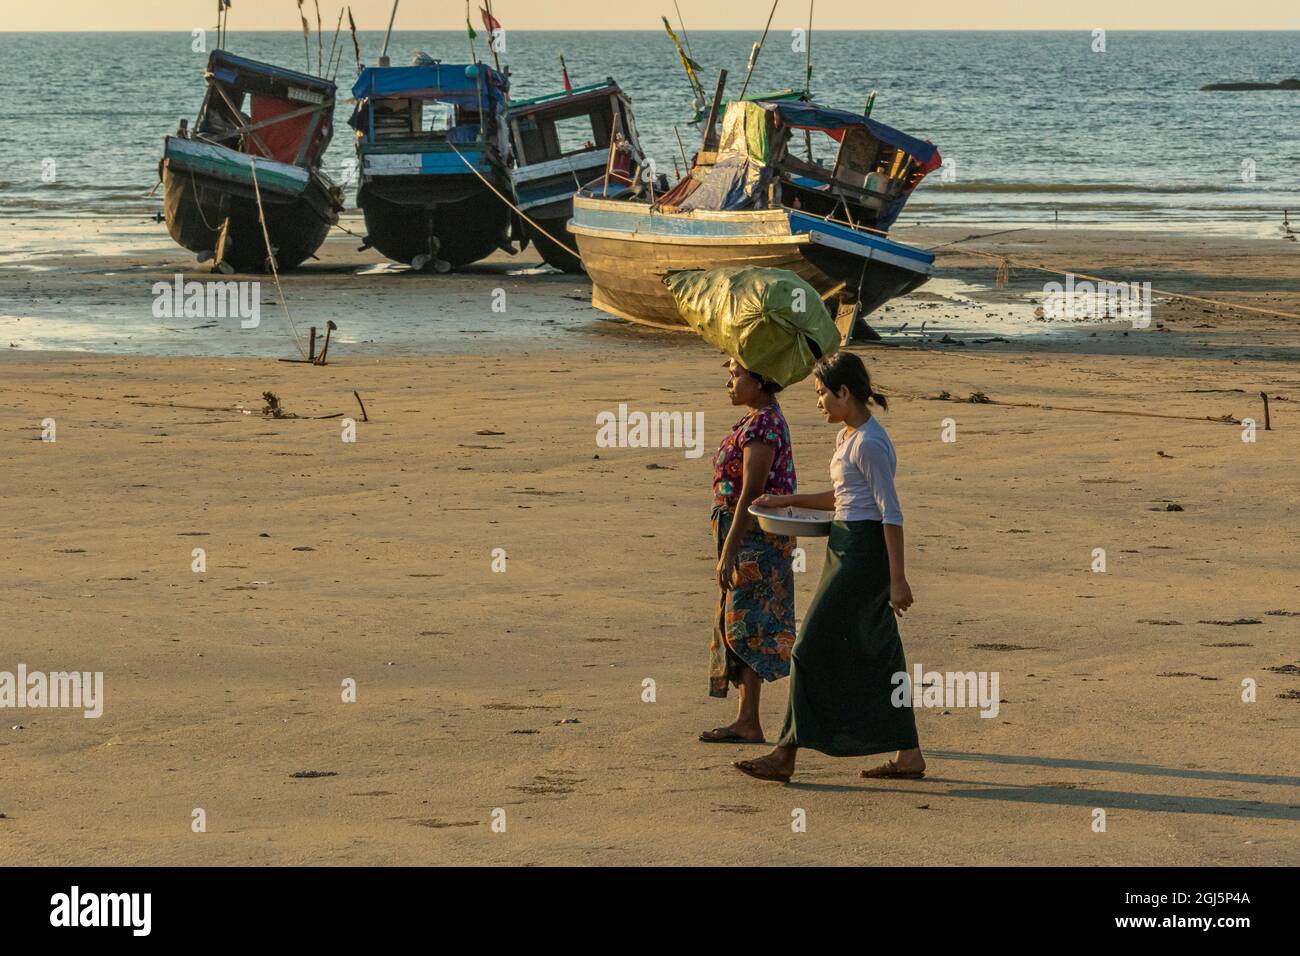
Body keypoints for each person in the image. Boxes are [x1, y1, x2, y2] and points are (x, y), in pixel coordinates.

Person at [735, 351, 926, 782]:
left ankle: (785, 754)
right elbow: (842, 499)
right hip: (843, 546)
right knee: (877, 650)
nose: (818, 401)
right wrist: (785, 500)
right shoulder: (848, 437)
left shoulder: (871, 443)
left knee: (808, 649)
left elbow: (890, 513)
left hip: (863, 555)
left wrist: (897, 579)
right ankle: (909, 753)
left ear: (845, 391)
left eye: (822, 393)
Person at [700, 359, 797, 744]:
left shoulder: (764, 425)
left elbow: (750, 494)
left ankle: (749, 720)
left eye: (737, 375)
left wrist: (730, 546)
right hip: (741, 533)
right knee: (737, 618)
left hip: (753, 538)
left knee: (749, 622)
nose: (730, 381)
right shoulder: (755, 419)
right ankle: (746, 719)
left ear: (759, 380)